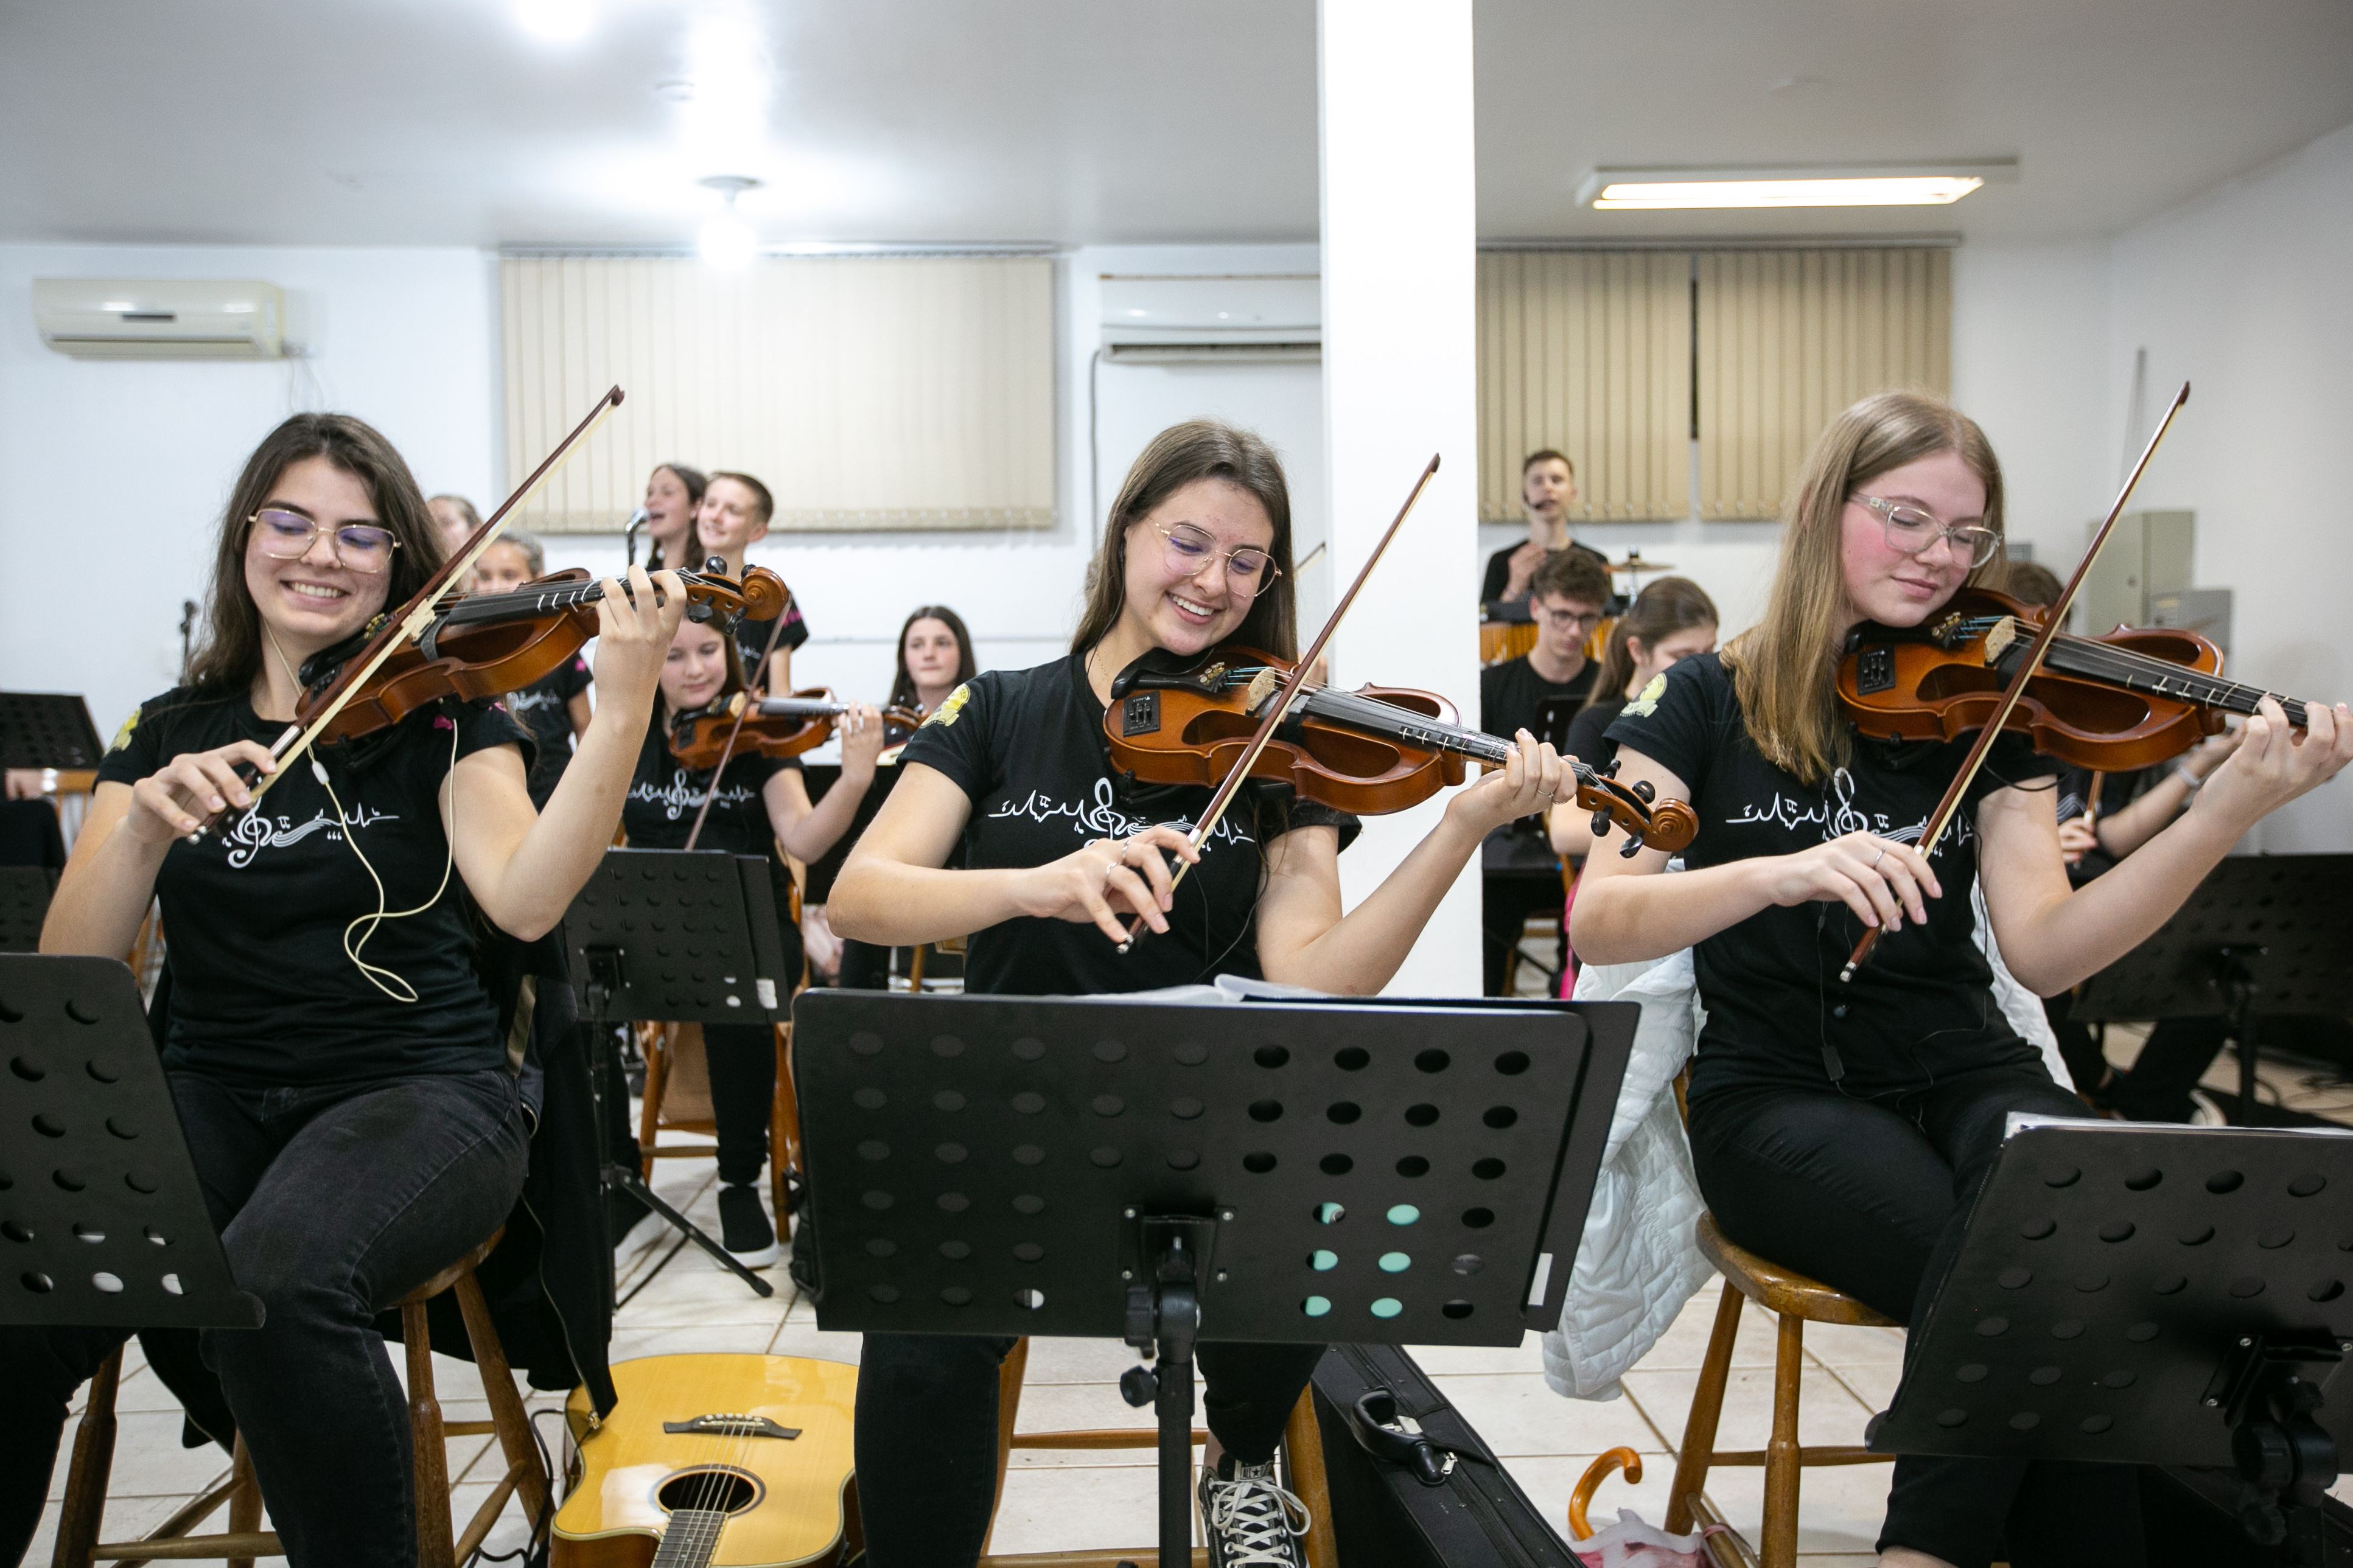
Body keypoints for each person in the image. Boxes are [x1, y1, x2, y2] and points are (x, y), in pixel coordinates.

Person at [1570, 391, 2351, 1568]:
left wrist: (2222, 806)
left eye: (1965, 535)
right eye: (1906, 519)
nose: (1939, 559)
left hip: (1965, 1067)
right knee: (2027, 1269)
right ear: (1827, 511)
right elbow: (1608, 914)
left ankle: (1926, 1551)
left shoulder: (1998, 701)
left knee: (2082, 1223)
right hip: (1780, 1095)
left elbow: (2042, 947)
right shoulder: (1703, 702)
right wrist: (1780, 874)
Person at [828, 419, 1565, 1568]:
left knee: (1310, 1213)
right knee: (921, 1333)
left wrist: (1461, 825)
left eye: (1244, 563)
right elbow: (863, 895)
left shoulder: (1278, 745)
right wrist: (1037, 886)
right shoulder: (1002, 709)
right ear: (1128, 532)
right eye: (1187, 542)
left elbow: (1318, 976)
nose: (1211, 583)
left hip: (1201, 1125)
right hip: (1011, 1108)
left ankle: (1245, 1455)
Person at [2, 414, 686, 1567]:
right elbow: (76, 966)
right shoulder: (169, 729)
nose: (321, 554)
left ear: (401, 567)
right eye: (292, 522)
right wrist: (141, 830)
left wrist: (621, 710)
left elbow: (522, 899)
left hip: (419, 1093)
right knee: (25, 1271)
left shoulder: (453, 715)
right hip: (210, 1090)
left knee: (281, 1275)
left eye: (360, 536)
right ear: (244, 538)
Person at [623, 615, 883, 1263]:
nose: (694, 669)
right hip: (650, 927)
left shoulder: (758, 737)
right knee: (567, 1000)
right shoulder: (624, 734)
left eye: (708, 651)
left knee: (733, 991)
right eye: (674, 654)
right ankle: (617, 1178)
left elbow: (803, 838)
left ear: (731, 657)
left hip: (742, 928)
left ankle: (738, 1180)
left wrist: (852, 779)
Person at [1546, 577, 1716, 992]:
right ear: (1638, 651)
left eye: (1710, 653)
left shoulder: (1712, 721)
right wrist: (1663, 835)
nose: (1700, 668)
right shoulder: (1597, 723)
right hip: (1625, 898)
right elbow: (1564, 829)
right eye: (1683, 656)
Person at [809, 604, 978, 990]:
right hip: (894, 862)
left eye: (942, 643)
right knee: (864, 906)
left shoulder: (982, 726)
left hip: (962, 867)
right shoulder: (882, 734)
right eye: (917, 644)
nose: (929, 653)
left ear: (961, 653)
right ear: (905, 658)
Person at [1477, 548, 1612, 994]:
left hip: (1581, 846)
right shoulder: (1493, 685)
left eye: (1587, 618)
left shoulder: (1605, 688)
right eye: (1562, 616)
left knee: (1597, 921)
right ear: (1535, 608)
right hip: (1512, 846)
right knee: (1486, 923)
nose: (1575, 631)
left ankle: (1575, 1003)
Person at [472, 529, 595, 809]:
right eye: (485, 577)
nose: (495, 588)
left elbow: (586, 730)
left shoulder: (560, 648)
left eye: (509, 575)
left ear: (539, 579)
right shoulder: (469, 653)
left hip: (555, 800)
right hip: (495, 799)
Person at [695, 470, 809, 691]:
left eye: (732, 510)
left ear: (757, 531)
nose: (715, 517)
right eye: (710, 504)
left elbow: (779, 692)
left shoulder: (773, 596)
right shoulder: (676, 590)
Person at [1481, 448, 1608, 608]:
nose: (1548, 488)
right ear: (1524, 497)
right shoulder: (1501, 562)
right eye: (1537, 481)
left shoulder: (1595, 562)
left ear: (1573, 494)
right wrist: (1515, 587)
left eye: (1557, 480)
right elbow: (1485, 630)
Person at [637, 461, 707, 572]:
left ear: (696, 506)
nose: (651, 501)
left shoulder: (707, 575)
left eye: (667, 493)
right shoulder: (648, 574)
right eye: (650, 493)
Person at [427, 492, 481, 593]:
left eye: (446, 522)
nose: (435, 531)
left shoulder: (488, 586)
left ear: (474, 534)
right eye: (428, 525)